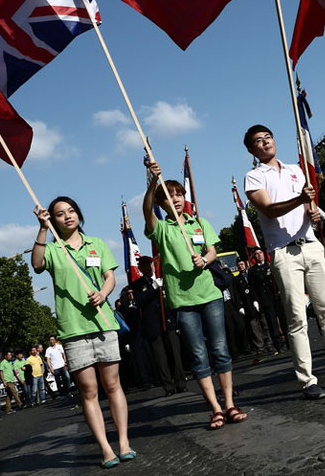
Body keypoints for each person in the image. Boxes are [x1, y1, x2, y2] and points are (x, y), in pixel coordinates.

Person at [244, 125, 325, 399]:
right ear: (251, 150)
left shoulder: (295, 170)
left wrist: (312, 212)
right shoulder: (253, 177)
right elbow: (269, 210)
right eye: (258, 142)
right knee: (297, 318)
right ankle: (307, 380)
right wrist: (300, 198)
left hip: (310, 246)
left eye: (268, 138)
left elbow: (308, 206)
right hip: (283, 252)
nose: (265, 144)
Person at [143, 161, 247, 430]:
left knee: (220, 349)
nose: (175, 199)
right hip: (182, 300)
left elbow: (212, 250)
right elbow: (146, 212)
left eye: (178, 194)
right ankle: (215, 409)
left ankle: (230, 403)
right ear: (162, 203)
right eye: (168, 196)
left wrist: (205, 259)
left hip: (209, 294)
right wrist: (153, 181)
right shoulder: (161, 229)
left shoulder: (199, 222)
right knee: (199, 355)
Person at [32, 196, 134, 469]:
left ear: (79, 214)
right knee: (89, 392)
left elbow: (110, 276)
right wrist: (42, 228)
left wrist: (103, 293)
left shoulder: (97, 244)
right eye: (59, 214)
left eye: (71, 210)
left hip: (103, 325)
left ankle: (123, 442)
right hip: (73, 329)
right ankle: (105, 448)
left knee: (113, 386)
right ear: (53, 220)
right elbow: (37, 264)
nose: (67, 216)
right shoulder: (54, 250)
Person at [126, 256, 187, 396]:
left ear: (153, 265)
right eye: (143, 266)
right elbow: (139, 301)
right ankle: (168, 387)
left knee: (175, 354)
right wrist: (153, 289)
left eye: (149, 264)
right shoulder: (137, 285)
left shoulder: (164, 278)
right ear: (140, 268)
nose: (147, 267)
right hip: (152, 325)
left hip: (168, 320)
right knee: (161, 358)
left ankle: (181, 383)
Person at [246, 248, 286, 352]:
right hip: (265, 298)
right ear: (254, 257)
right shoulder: (252, 271)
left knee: (284, 319)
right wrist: (255, 300)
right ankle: (278, 344)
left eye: (260, 253)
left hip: (276, 295)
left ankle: (289, 341)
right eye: (256, 254)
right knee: (272, 323)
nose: (259, 255)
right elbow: (252, 287)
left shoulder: (271, 265)